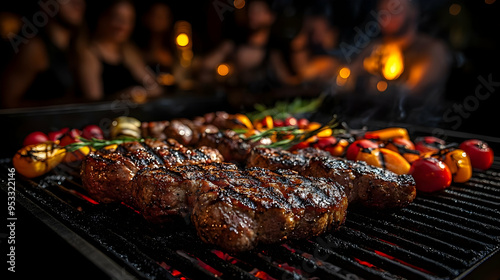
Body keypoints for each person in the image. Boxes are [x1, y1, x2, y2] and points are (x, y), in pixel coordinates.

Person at [338, 0, 450, 125]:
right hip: (370, 124)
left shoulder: (430, 50)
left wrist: (370, 84)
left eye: (396, 10)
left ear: (413, 12)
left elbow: (411, 91)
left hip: (417, 127)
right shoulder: (374, 48)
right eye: (382, 12)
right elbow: (344, 79)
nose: (387, 17)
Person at [0, 0, 86, 108]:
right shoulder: (35, 49)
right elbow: (7, 102)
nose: (77, 3)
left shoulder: (79, 46)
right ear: (47, 5)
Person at [77, 0, 161, 101]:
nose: (123, 25)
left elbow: (155, 88)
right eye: (117, 18)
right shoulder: (88, 53)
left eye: (129, 20)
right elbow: (94, 101)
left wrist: (139, 92)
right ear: (102, 18)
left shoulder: (129, 52)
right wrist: (123, 96)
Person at [201, 0, 276, 90]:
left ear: (271, 16)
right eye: (251, 11)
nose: (253, 15)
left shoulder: (275, 49)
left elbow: (288, 81)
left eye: (259, 11)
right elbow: (206, 67)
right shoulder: (233, 44)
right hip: (236, 97)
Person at [135, 1, 175, 73]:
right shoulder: (135, 43)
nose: (159, 20)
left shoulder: (174, 42)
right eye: (156, 15)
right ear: (146, 17)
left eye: (164, 16)